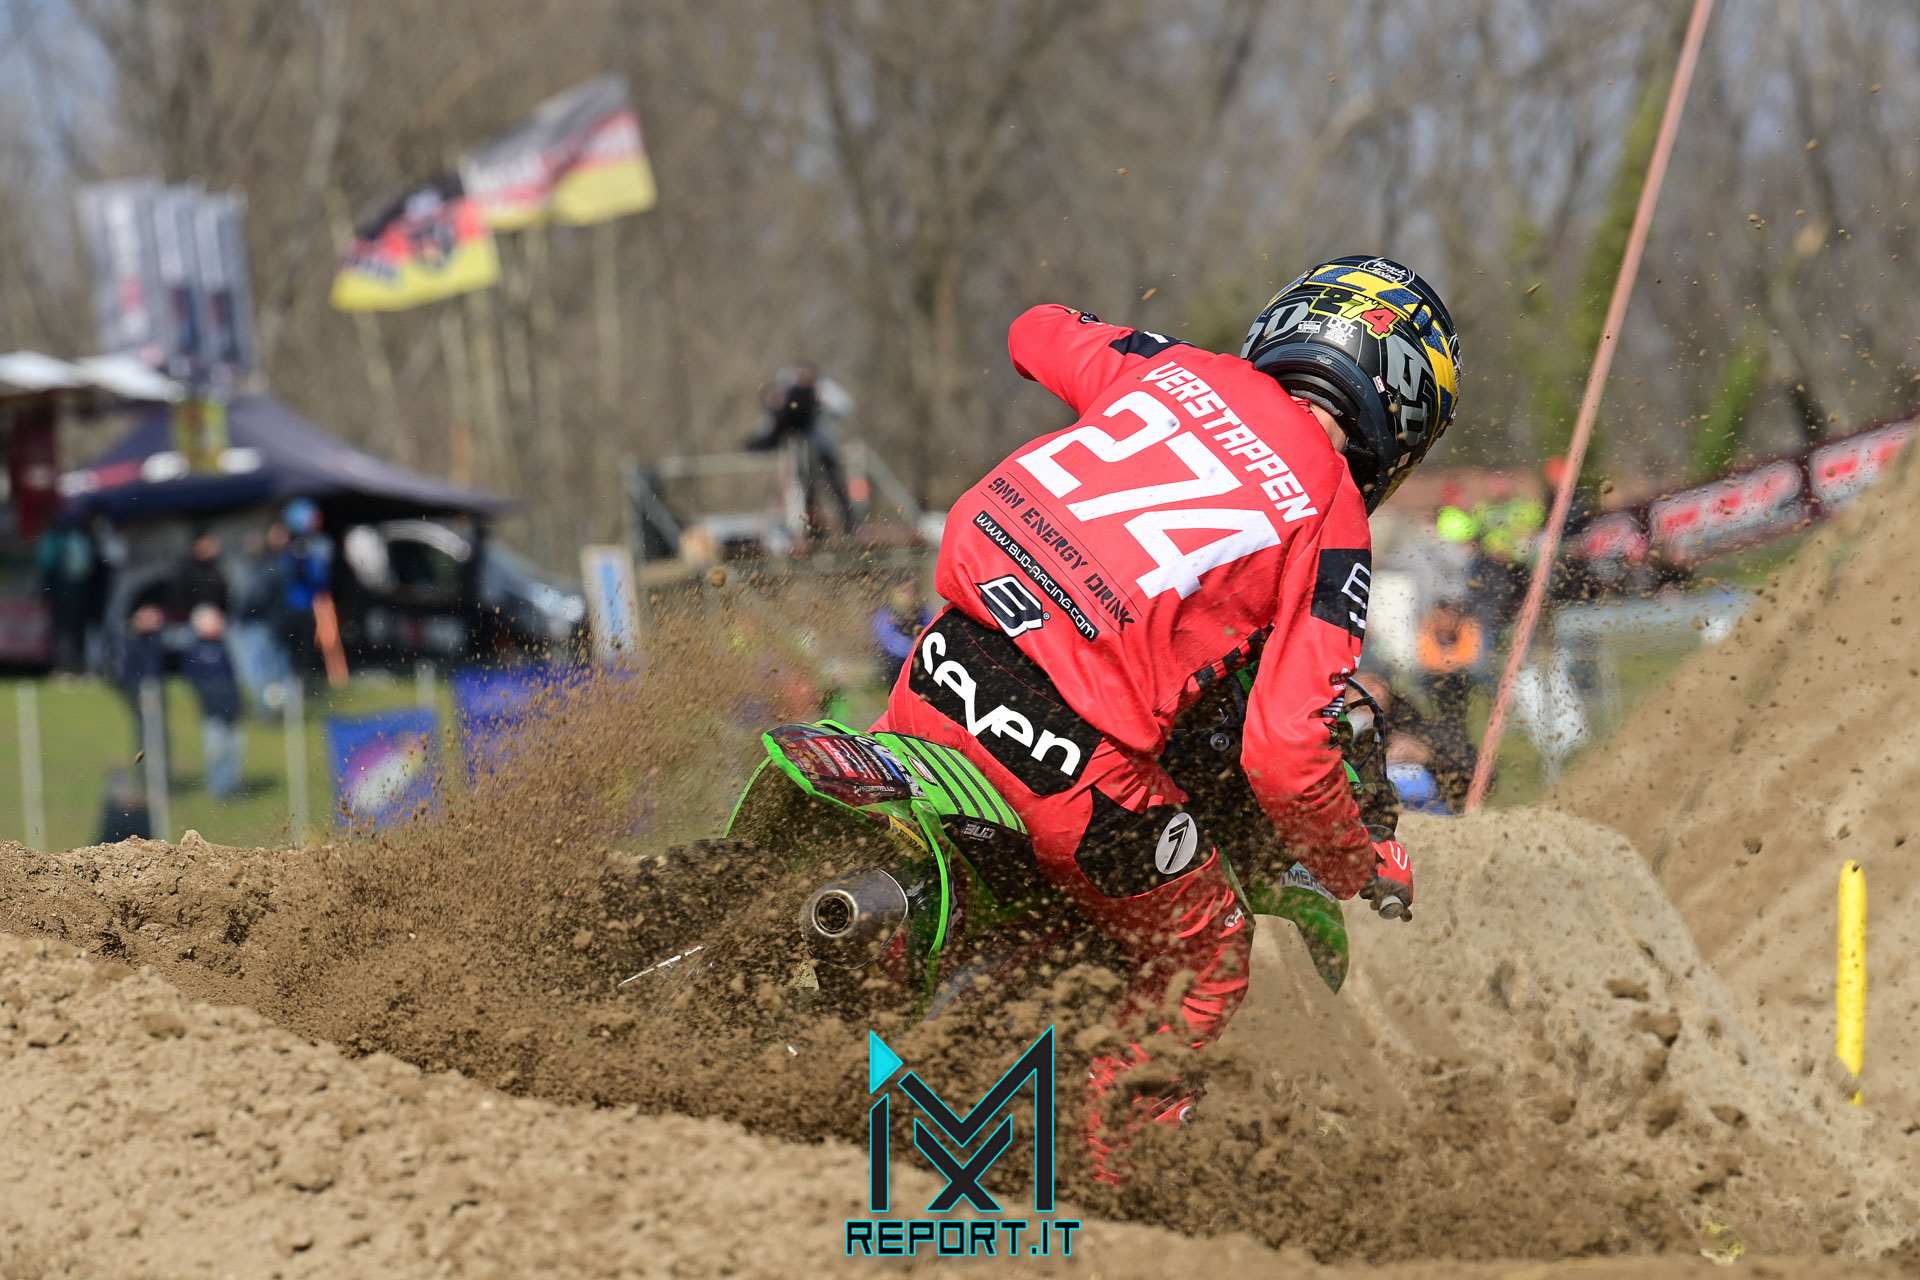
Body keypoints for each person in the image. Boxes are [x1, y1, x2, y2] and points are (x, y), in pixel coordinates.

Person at [870, 255, 1461, 1180]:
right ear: (1406, 417)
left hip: (940, 667)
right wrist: (1355, 861)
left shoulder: (1168, 367)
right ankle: (1118, 1179)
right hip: (1072, 766)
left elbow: (1032, 330)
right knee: (1210, 950)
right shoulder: (1332, 517)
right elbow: (1285, 753)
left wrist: (1124, 350)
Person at [746, 364, 859, 535]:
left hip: (822, 447)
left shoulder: (823, 389)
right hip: (798, 448)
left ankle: (850, 524)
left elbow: (845, 406)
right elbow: (770, 424)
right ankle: (812, 529)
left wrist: (821, 402)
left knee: (834, 484)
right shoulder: (788, 393)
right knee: (803, 488)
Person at [182, 604, 245, 798]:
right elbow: (194, 680)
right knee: (216, 750)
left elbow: (235, 676)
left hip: (232, 706)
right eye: (215, 620)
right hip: (213, 710)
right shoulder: (195, 650)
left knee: (235, 749)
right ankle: (218, 789)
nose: (221, 623)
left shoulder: (226, 646)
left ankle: (233, 786)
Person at [233, 523, 294, 715]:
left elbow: (257, 598)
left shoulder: (266, 568)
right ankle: (286, 710)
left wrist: (241, 613)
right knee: (277, 667)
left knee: (264, 670)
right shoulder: (273, 566)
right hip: (273, 623)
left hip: (261, 624)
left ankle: (269, 711)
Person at [280, 499, 335, 684]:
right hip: (294, 605)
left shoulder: (320, 544)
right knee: (295, 648)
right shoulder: (290, 547)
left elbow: (320, 577)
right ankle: (296, 683)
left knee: (310, 648)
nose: (318, 521)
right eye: (314, 517)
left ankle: (309, 683)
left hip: (313, 603)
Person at [871, 573, 934, 667]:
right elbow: (890, 641)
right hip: (893, 666)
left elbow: (933, 627)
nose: (910, 595)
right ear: (893, 594)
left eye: (913, 591)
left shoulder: (923, 612)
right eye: (904, 591)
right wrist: (916, 648)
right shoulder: (885, 614)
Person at [173, 528, 230, 617]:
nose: (213, 548)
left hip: (216, 617)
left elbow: (224, 598)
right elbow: (178, 598)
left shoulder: (217, 568)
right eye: (208, 544)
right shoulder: (185, 569)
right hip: (190, 618)